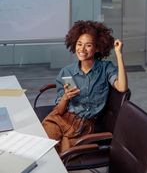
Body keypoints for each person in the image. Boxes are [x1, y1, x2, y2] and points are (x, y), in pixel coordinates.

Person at [42, 20, 128, 154]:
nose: (82, 49)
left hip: (83, 124)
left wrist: (119, 54)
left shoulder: (106, 68)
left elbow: (122, 87)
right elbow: (59, 111)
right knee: (44, 151)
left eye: (88, 45)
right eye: (79, 44)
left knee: (63, 157)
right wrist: (65, 97)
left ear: (98, 48)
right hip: (59, 119)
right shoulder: (67, 72)